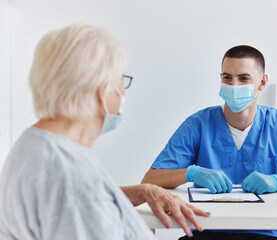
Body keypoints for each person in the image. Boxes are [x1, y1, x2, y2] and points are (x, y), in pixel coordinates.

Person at [0, 23, 210, 240]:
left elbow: (84, 203)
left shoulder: (38, 145)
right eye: (122, 80)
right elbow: (81, 199)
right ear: (102, 91)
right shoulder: (70, 178)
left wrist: (142, 191)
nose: (122, 93)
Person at [142, 45, 277, 240]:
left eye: (244, 78)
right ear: (221, 80)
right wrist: (190, 173)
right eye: (227, 77)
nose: (234, 85)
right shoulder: (199, 124)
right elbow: (150, 180)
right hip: (206, 231)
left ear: (262, 82)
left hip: (261, 232)